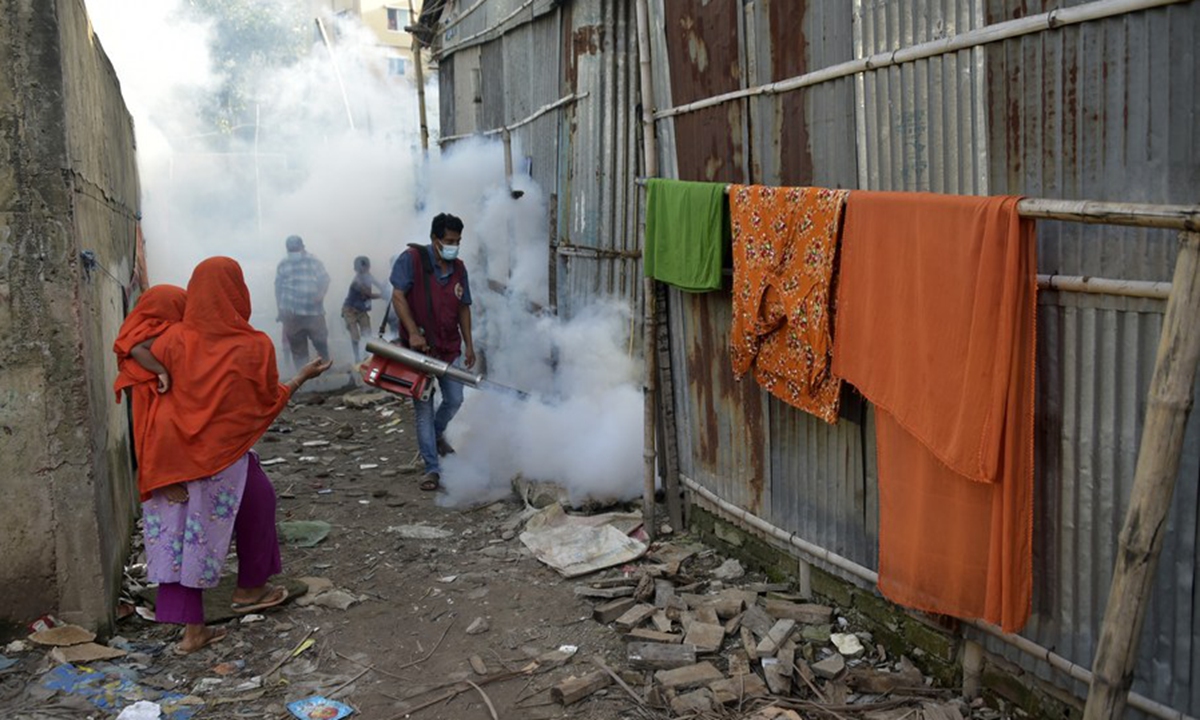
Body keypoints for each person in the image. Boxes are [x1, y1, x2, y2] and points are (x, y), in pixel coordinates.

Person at [131, 257, 330, 654]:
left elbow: (134, 352)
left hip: (174, 459)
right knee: (252, 507)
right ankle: (242, 595)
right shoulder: (254, 345)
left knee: (185, 537)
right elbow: (264, 404)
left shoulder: (171, 340)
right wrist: (301, 378)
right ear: (238, 291)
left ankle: (203, 623)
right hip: (224, 458)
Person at [390, 213, 476, 491]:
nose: (454, 246)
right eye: (449, 241)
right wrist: (413, 332)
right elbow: (398, 296)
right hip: (418, 352)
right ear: (434, 239)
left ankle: (436, 436)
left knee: (454, 398)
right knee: (423, 409)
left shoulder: (459, 268)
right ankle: (431, 469)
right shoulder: (411, 260)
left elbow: (464, 306)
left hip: (449, 348)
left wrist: (469, 344)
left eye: (458, 241)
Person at [113, 285, 187, 456]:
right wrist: (161, 370)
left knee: (146, 439)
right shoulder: (163, 330)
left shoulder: (135, 325)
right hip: (148, 392)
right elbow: (137, 350)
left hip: (137, 388)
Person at [275, 235, 331, 370]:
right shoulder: (283, 264)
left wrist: (321, 295)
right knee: (297, 347)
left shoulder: (314, 261)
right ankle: (304, 377)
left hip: (313, 311)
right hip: (292, 313)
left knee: (320, 340)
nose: (293, 252)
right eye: (290, 250)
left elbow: (325, 279)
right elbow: (278, 287)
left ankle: (326, 368)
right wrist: (280, 310)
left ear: (302, 247)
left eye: (296, 249)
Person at [341, 255, 386, 364]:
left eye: (365, 267)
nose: (364, 269)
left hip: (362, 311)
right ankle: (357, 359)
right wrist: (383, 295)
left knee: (367, 334)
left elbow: (379, 285)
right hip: (350, 310)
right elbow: (368, 295)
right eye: (362, 267)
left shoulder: (369, 276)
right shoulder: (357, 281)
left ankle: (366, 357)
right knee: (355, 336)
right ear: (356, 269)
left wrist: (385, 288)